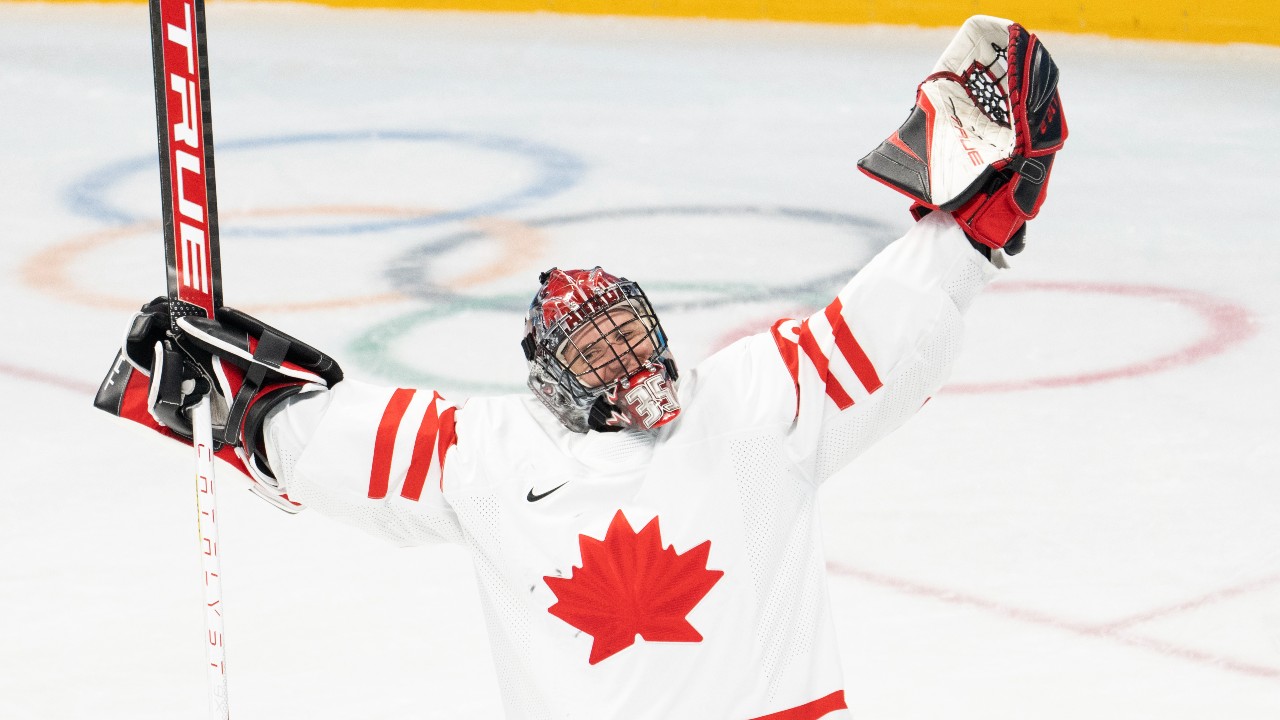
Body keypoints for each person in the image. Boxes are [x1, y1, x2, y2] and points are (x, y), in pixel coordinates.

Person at [95, 15, 1066, 719]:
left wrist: (973, 224)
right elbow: (333, 443)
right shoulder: (489, 456)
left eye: (630, 331)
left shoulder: (751, 401)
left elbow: (890, 320)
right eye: (596, 347)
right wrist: (231, 407)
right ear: (551, 379)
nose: (627, 355)